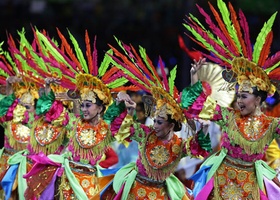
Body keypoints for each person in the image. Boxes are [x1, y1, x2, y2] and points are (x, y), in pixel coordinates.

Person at [182, 0, 280, 199]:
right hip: (220, 181)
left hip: (250, 187)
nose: (240, 101)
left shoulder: (272, 125)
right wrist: (195, 81)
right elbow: (194, 109)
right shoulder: (228, 116)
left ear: (259, 99)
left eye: (244, 96)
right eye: (239, 96)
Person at [101, 40, 212, 200]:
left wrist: (205, 130)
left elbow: (198, 148)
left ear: (171, 125)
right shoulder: (146, 135)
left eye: (159, 122)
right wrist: (120, 106)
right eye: (155, 120)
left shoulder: (178, 146)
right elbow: (120, 130)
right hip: (135, 191)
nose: (154, 125)